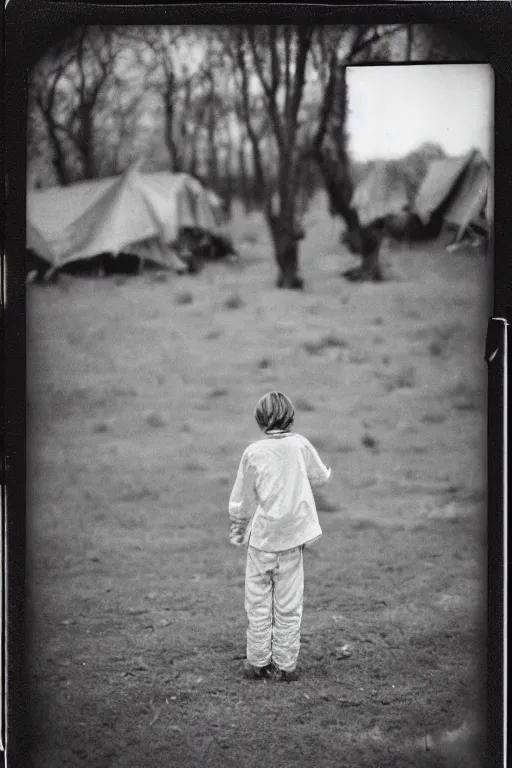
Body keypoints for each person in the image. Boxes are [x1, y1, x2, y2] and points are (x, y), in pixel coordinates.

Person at [229, 391, 331, 682]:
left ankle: (257, 662)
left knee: (257, 602)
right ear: (291, 417)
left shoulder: (253, 452)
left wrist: (238, 527)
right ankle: (285, 666)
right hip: (291, 541)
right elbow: (320, 477)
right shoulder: (300, 445)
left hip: (261, 541)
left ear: (260, 420)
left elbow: (242, 499)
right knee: (288, 604)